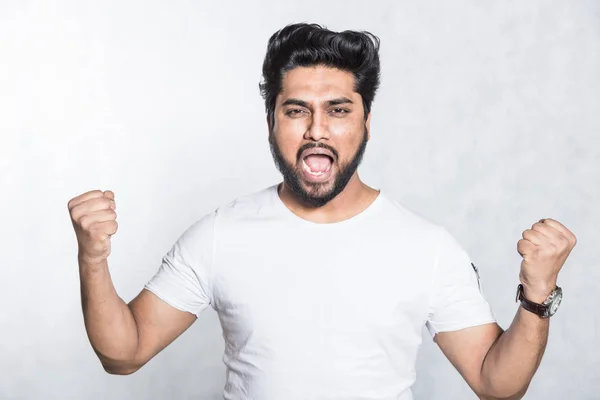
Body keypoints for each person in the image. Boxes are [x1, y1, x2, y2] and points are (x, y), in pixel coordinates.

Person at [68, 23, 577, 400]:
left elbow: (496, 384)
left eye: (338, 110)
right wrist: (92, 258)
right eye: (296, 110)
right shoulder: (221, 234)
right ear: (271, 122)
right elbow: (124, 354)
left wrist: (536, 298)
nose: (317, 130)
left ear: (366, 122)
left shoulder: (426, 247)